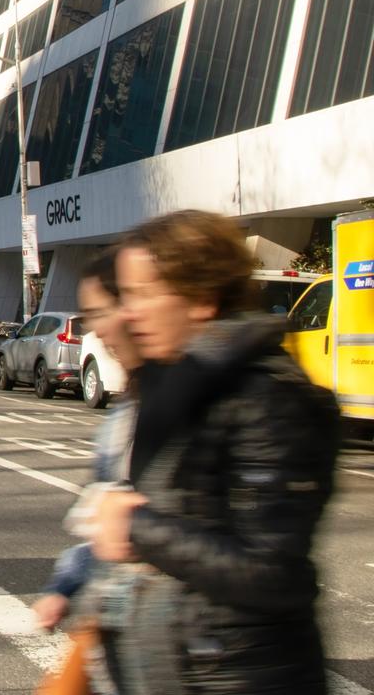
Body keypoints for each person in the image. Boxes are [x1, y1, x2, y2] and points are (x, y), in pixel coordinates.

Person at [92, 211, 339, 694]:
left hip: (241, 678)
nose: (129, 313)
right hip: (188, 669)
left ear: (202, 298)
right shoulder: (183, 381)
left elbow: (272, 570)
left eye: (144, 294)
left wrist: (137, 526)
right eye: (125, 296)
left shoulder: (266, 398)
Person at [30, 247, 183, 693]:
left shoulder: (183, 402)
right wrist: (66, 585)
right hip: (125, 619)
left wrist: (135, 527)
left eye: (101, 311)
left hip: (166, 629)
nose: (95, 328)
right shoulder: (132, 407)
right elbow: (101, 517)